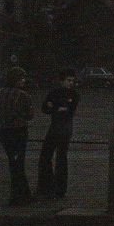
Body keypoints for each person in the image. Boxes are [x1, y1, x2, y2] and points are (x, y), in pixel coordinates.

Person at [37, 68, 79, 200]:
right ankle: (47, 186)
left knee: (61, 158)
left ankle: (59, 189)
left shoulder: (74, 95)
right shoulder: (55, 92)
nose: (71, 83)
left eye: (72, 81)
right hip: (55, 127)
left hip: (64, 128)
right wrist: (58, 108)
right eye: (68, 80)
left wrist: (54, 107)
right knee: (46, 156)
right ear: (62, 81)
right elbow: (45, 108)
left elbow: (67, 110)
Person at [0, 66, 35, 206]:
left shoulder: (0, 93)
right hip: (19, 131)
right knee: (18, 163)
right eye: (22, 78)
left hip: (3, 131)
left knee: (13, 162)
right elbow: (30, 115)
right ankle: (18, 195)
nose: (24, 81)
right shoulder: (23, 95)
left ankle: (23, 194)